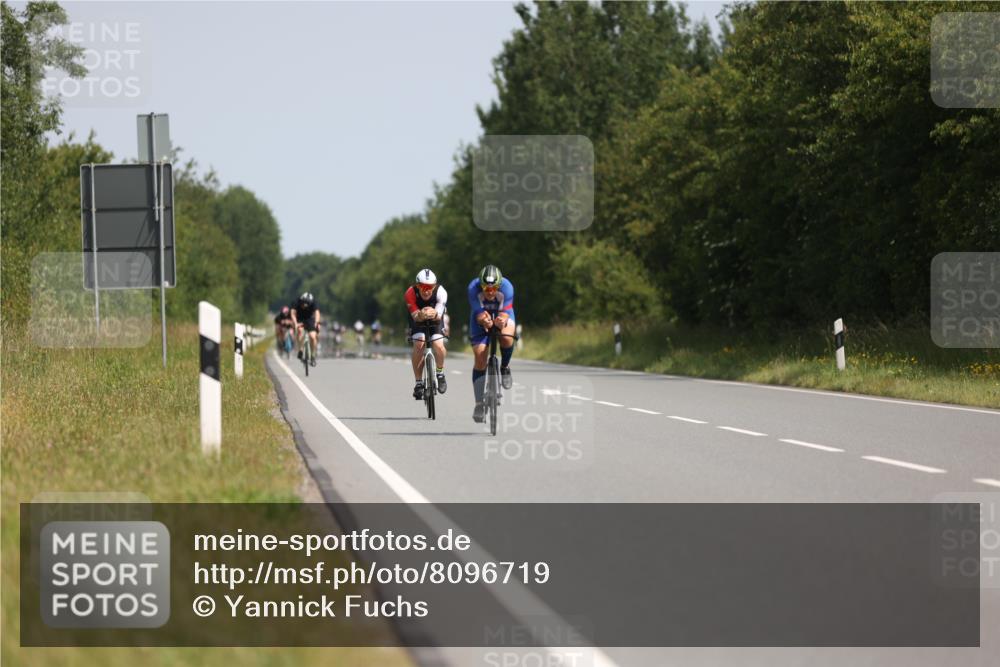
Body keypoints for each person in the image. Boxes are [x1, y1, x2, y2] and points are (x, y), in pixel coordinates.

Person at [468, 264, 515, 423]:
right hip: (481, 317)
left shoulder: (507, 287)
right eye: (486, 289)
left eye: (493, 288)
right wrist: (484, 320)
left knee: (507, 337)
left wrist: (501, 321)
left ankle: (505, 367)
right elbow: (478, 313)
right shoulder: (473, 288)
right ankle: (479, 403)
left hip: (503, 313)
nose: (489, 292)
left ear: (499, 285)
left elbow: (505, 313)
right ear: (480, 284)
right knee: (480, 356)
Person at [405, 268, 448, 400]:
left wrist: (434, 313)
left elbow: (438, 315)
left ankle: (440, 373)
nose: (426, 290)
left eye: (429, 287)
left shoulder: (441, 292)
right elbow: (415, 316)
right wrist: (421, 314)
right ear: (417, 286)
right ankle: (418, 383)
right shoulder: (410, 293)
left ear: (434, 286)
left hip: (435, 319)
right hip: (417, 319)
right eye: (422, 287)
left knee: (438, 344)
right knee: (419, 344)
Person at [291, 292, 321, 366]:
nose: (305, 306)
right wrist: (295, 323)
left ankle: (313, 356)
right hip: (299, 319)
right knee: (300, 331)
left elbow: (317, 312)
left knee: (313, 337)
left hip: (309, 319)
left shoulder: (313, 302)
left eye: (307, 304)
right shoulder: (296, 301)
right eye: (304, 304)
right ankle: (300, 350)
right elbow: (293, 313)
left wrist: (317, 322)